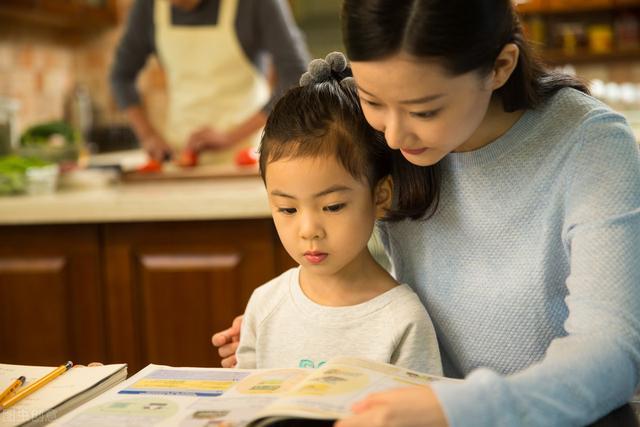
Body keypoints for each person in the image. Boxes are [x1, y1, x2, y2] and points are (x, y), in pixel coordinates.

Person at [214, 0, 640, 425]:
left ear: (500, 66)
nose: (395, 134)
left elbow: (610, 353)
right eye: (372, 100)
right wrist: (296, 325)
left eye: (424, 110)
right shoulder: (387, 138)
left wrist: (452, 410)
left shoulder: (593, 146)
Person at [234, 53, 442, 375]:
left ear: (380, 197)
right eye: (287, 208)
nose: (308, 230)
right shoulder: (264, 307)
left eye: (332, 207)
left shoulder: (402, 320)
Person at [110, 0, 310, 164]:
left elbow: (296, 75)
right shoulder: (148, 7)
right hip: (182, 157)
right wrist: (148, 136)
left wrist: (230, 138)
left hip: (250, 155)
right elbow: (121, 75)